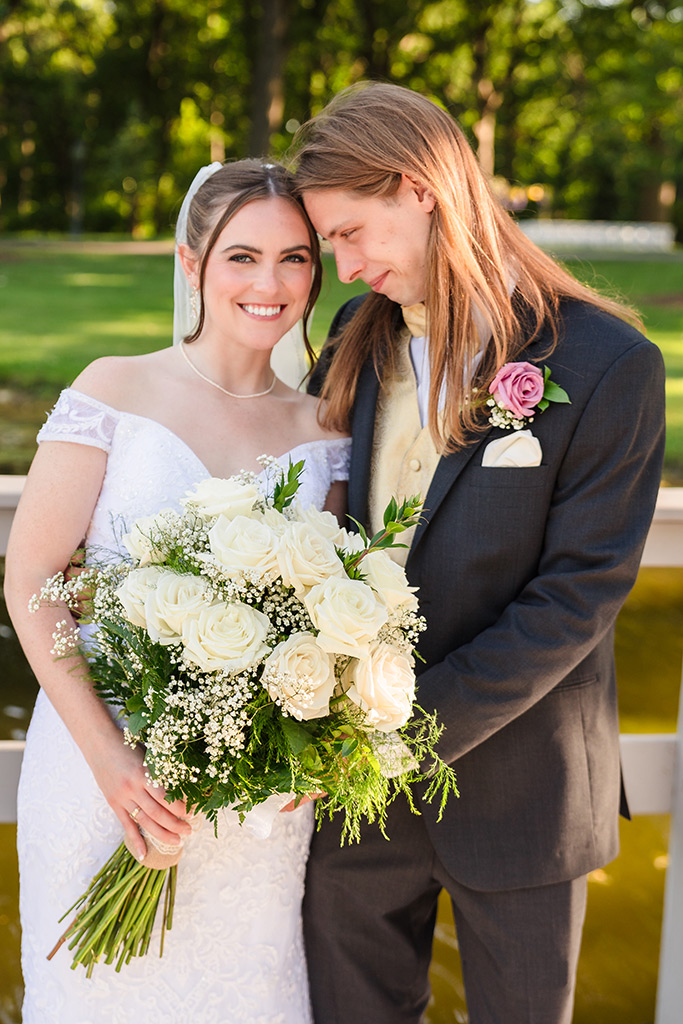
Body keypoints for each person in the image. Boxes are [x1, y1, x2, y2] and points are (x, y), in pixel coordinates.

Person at [291, 82, 666, 1024]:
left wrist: (407, 737)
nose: (340, 268)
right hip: (352, 801)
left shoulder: (606, 362)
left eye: (348, 233)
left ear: (419, 188)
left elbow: (577, 596)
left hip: (524, 795)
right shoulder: (353, 339)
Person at [4, 159, 350, 1024]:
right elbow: (32, 579)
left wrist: (305, 738)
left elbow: (327, 610)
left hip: (250, 796)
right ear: (191, 262)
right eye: (242, 256)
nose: (269, 284)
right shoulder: (113, 389)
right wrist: (113, 763)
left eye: (295, 258)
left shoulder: (324, 428)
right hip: (98, 764)